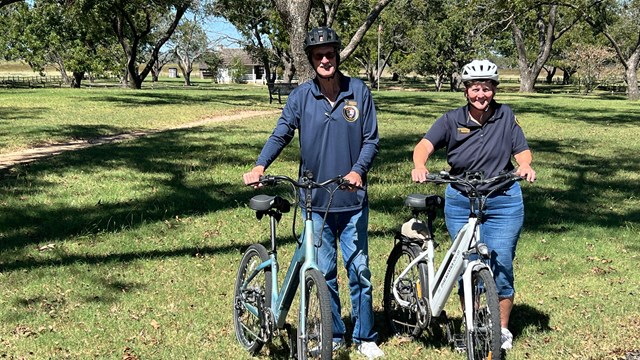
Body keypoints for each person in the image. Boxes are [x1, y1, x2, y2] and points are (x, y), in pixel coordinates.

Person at [242, 26, 384, 359]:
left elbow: (371, 140)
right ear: (311, 60)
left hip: (351, 201)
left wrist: (357, 171)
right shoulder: (300, 97)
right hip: (314, 203)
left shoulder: (358, 92)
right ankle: (334, 333)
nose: (325, 60)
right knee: (325, 273)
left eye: (330, 54)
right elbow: (281, 134)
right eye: (318, 56)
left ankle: (365, 336)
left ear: (337, 56)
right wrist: (260, 166)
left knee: (359, 270)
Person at [411, 59, 536, 351]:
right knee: (466, 263)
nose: (481, 95)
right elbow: (424, 146)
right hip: (461, 198)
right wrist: (420, 166)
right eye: (476, 89)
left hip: (502, 197)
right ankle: (472, 326)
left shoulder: (506, 116)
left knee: (501, 261)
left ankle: (501, 330)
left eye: (487, 88)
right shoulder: (451, 120)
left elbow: (523, 152)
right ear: (466, 90)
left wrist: (526, 167)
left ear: (494, 89)